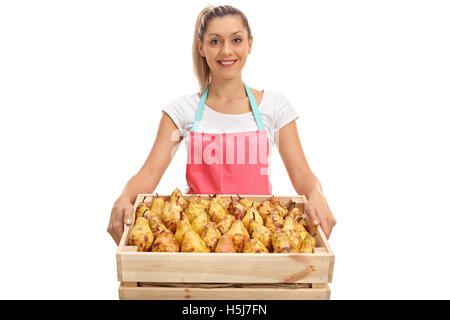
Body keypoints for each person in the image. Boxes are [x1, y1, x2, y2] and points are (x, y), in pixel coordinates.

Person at [107, 5, 336, 245]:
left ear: (250, 43)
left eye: (236, 40)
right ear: (201, 47)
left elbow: (301, 173)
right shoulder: (181, 110)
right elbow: (149, 173)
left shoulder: (274, 106)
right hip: (198, 238)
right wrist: (124, 198)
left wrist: (316, 195)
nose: (226, 51)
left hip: (259, 237)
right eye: (215, 41)